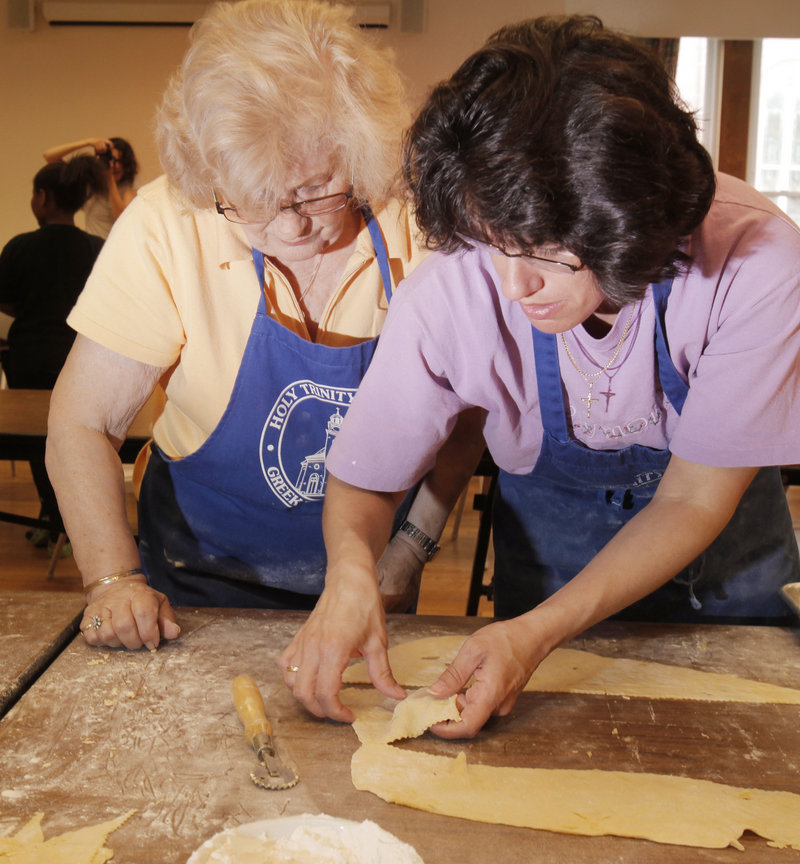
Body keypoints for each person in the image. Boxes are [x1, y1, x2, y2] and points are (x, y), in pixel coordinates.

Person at [281, 15, 800, 738]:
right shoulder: (453, 287)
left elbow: (692, 499)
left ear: (633, 224)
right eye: (492, 242)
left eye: (549, 254)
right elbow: (368, 473)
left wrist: (534, 634)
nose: (514, 285)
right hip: (546, 576)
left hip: (727, 575)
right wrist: (350, 570)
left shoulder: (755, 260)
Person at [46, 0, 482, 652]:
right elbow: (83, 422)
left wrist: (411, 549)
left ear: (360, 148)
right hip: (195, 578)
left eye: (313, 191)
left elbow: (464, 416)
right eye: (249, 201)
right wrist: (112, 579)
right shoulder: (169, 222)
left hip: (372, 578)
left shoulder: (420, 223)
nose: (288, 227)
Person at [0, 156, 105, 548]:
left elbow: (6, 302)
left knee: (34, 440)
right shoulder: (97, 247)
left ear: (43, 198)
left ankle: (50, 513)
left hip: (29, 356)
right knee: (78, 439)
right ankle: (79, 525)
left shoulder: (20, 247)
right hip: (83, 358)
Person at [43, 136, 138, 237]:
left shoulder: (130, 188)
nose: (116, 166)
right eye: (112, 159)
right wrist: (88, 142)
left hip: (119, 250)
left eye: (121, 161)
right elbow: (49, 156)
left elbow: (123, 218)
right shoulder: (91, 185)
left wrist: (110, 180)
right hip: (96, 249)